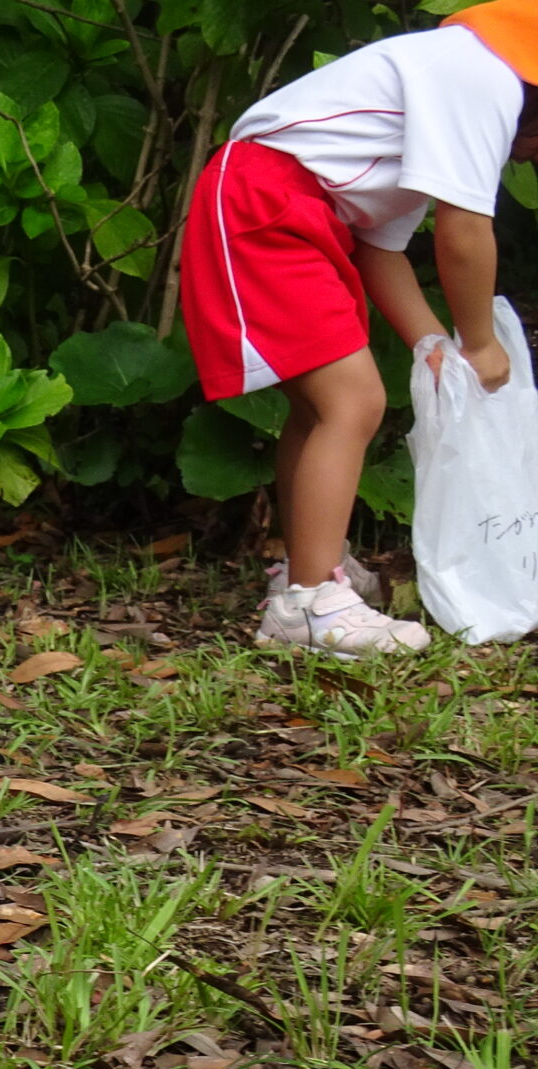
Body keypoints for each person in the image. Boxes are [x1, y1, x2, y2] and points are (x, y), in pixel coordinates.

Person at [178, 0, 538, 657]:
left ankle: (310, 569)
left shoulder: (447, 90)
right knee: (354, 401)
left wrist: (432, 344)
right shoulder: (482, 76)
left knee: (322, 407)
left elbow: (381, 248)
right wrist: (480, 342)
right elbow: (463, 231)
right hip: (268, 203)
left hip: (303, 212)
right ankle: (311, 604)